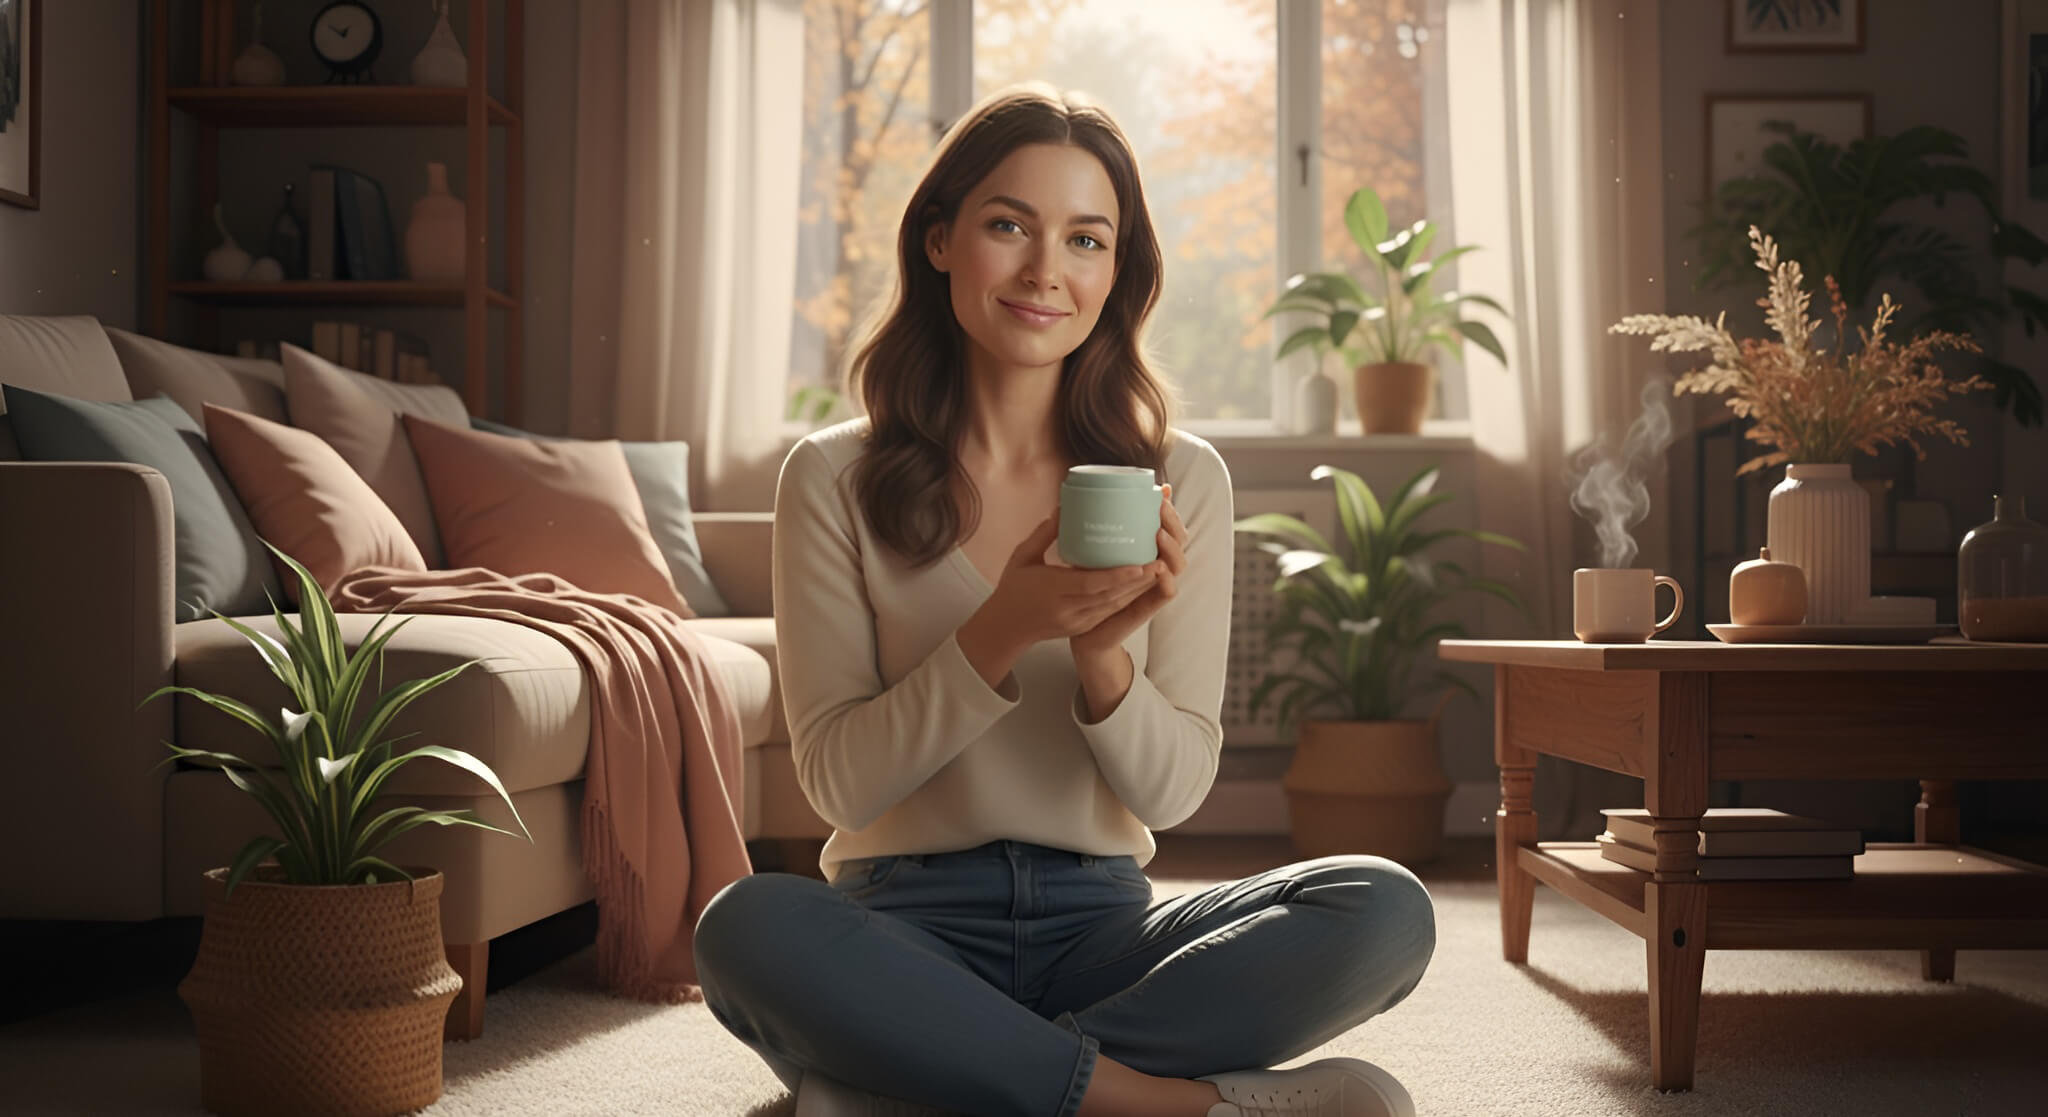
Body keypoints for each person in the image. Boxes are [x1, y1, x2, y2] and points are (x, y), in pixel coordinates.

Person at [694, 82, 1435, 1117]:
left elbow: (1172, 793)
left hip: (1104, 931)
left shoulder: (1181, 477)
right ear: (940, 239)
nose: (1047, 270)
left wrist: (1102, 656)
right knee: (744, 926)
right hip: (901, 921)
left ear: (1116, 271)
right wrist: (1004, 627)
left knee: (1382, 908)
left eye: (1086, 240)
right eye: (1009, 226)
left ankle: (927, 1080)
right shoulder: (831, 476)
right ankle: (1165, 1106)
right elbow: (838, 785)